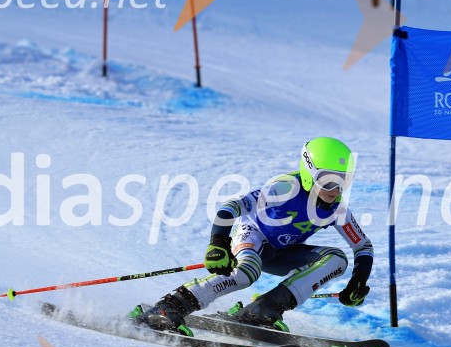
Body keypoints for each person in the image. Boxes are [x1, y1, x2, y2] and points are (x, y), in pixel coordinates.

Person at [132, 137, 374, 335]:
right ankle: (169, 306)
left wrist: (358, 281)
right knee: (246, 272)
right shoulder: (284, 188)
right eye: (328, 181)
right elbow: (231, 207)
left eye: (343, 181)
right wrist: (218, 243)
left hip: (283, 253)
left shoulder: (336, 209)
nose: (335, 190)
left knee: (337, 259)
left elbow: (363, 246)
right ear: (310, 171)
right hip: (253, 237)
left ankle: (263, 308)